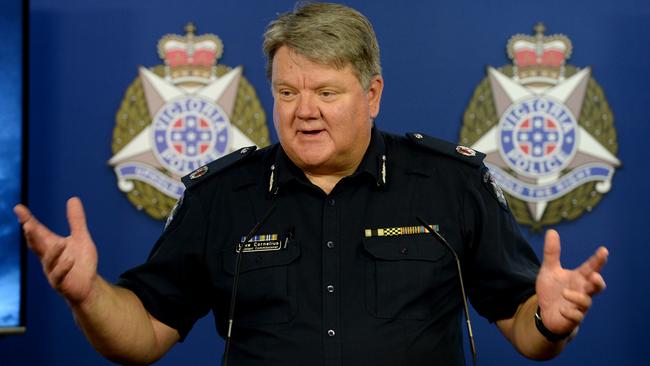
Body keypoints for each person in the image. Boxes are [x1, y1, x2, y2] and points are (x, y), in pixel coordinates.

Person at [14, 2, 608, 365]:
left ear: (372, 95)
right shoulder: (220, 196)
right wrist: (88, 295)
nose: (305, 112)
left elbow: (526, 332)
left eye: (326, 92)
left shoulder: (452, 184)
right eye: (287, 92)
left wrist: (550, 320)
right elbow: (142, 335)